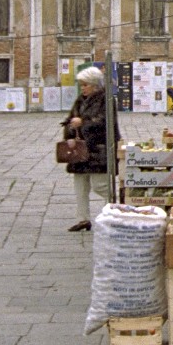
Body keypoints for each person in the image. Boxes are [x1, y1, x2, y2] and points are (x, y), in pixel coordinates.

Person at [63, 66, 119, 233]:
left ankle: (113, 210)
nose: (83, 88)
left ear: (95, 85)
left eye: (85, 85)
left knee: (100, 185)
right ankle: (82, 219)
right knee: (80, 185)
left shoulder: (106, 100)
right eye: (81, 85)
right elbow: (71, 117)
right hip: (80, 149)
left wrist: (83, 123)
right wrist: (70, 129)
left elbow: (104, 122)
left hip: (98, 149)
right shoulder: (80, 100)